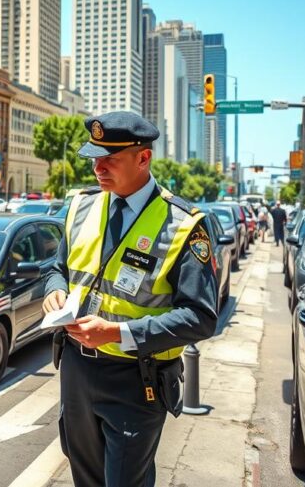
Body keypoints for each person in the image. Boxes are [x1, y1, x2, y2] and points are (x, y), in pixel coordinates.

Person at [41, 111, 219, 487]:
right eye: (94, 158)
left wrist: (118, 333)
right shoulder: (82, 205)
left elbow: (200, 317)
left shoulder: (184, 224)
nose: (98, 168)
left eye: (110, 159)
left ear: (143, 158)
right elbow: (56, 267)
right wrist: (53, 290)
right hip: (76, 370)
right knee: (84, 477)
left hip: (137, 380)